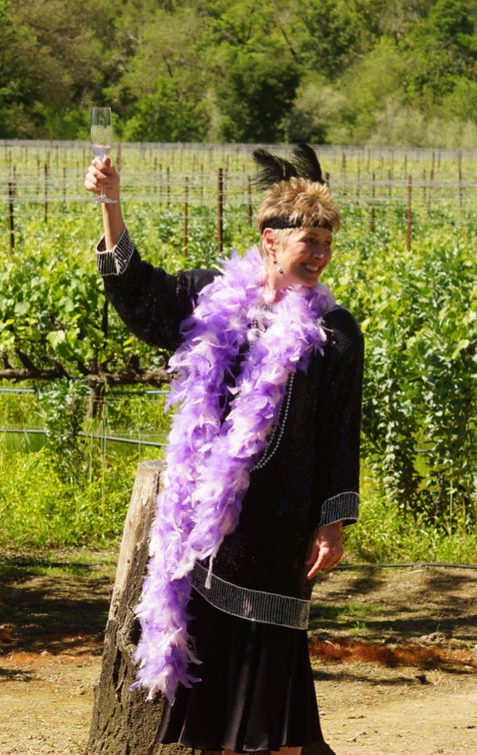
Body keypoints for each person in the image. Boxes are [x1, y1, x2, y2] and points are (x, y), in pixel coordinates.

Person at [84, 145, 363, 755]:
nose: (319, 255)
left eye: (326, 244)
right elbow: (142, 296)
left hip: (282, 531)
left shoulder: (336, 330)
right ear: (270, 239)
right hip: (209, 535)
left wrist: (333, 521)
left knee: (277, 713)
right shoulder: (211, 296)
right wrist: (110, 203)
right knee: (211, 713)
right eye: (307, 242)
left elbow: (342, 431)